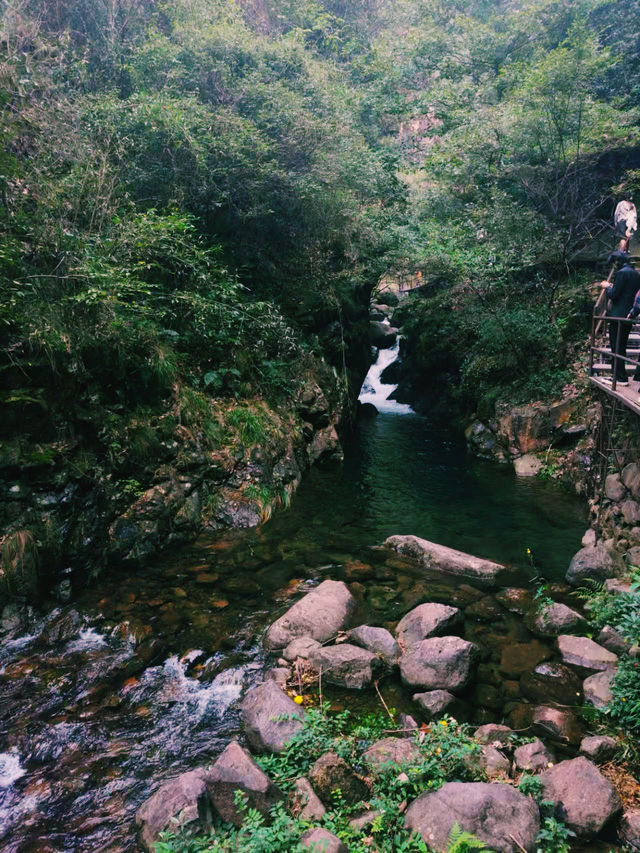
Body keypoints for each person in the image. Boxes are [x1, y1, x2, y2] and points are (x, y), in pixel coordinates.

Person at [601, 252, 640, 385]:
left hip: (617, 316)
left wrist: (607, 287)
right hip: (629, 314)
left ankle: (619, 377)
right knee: (621, 344)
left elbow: (614, 295)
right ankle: (620, 376)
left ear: (616, 262)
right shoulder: (635, 273)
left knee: (616, 346)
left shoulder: (621, 273)